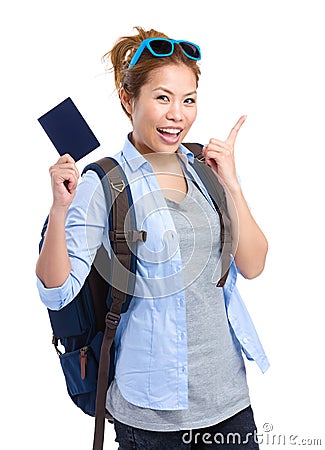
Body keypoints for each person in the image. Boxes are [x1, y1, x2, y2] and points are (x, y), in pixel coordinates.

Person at [36, 26, 269, 449]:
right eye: (162, 97)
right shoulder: (103, 182)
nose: (177, 114)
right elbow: (57, 291)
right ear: (129, 100)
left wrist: (232, 184)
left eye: (188, 99)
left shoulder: (204, 167)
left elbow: (251, 266)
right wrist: (59, 210)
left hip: (230, 402)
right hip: (151, 418)